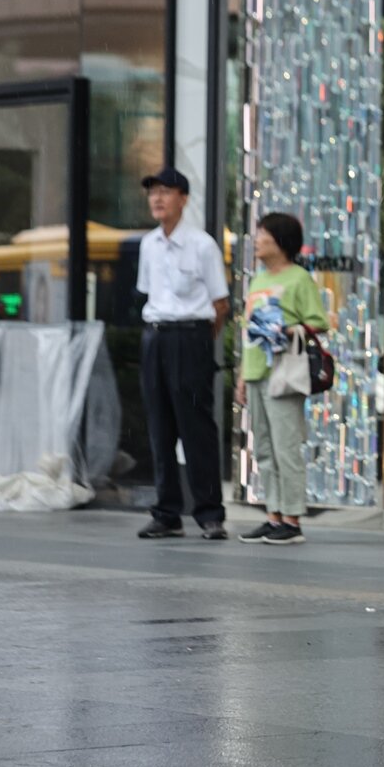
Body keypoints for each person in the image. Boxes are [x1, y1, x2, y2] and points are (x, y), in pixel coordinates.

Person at [135, 167, 231, 541]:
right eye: (152, 192)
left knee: (197, 428)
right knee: (159, 427)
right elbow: (148, 293)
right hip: (155, 337)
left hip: (191, 337)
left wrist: (200, 342)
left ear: (184, 199)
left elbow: (220, 304)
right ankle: (167, 512)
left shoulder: (202, 245)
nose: (157, 199)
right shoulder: (148, 244)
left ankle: (209, 513)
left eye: (166, 192)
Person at [234, 212, 329, 546]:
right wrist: (243, 377)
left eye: (262, 235)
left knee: (286, 447)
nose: (256, 240)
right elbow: (249, 333)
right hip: (257, 370)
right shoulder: (258, 281)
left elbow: (319, 321)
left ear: (280, 241)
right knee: (263, 447)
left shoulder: (299, 279)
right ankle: (273, 515)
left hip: (284, 372)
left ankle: (292, 518)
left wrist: (287, 330)